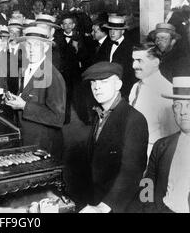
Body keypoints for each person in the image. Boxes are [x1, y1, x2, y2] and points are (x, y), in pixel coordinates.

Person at [80, 62, 148, 213]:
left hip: (117, 205)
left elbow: (132, 171)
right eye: (93, 83)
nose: (97, 87)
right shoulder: (100, 114)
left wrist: (104, 206)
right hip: (96, 197)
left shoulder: (134, 119)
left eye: (103, 82)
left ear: (118, 85)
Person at [5, 26, 66, 159]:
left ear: (45, 48)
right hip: (27, 139)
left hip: (43, 145)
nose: (31, 49)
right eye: (28, 45)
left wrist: (24, 106)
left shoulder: (52, 75)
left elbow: (58, 118)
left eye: (37, 45)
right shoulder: (27, 69)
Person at [141, 76, 190, 213]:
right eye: (177, 105)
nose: (183, 111)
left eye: (189, 105)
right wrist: (147, 209)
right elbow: (147, 184)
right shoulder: (161, 146)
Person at [129, 44, 178, 157]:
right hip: (133, 152)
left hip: (153, 156)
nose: (134, 65)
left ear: (155, 62)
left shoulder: (166, 91)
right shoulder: (136, 86)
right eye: (133, 60)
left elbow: (171, 135)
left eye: (139, 61)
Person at [102, 15, 135, 97]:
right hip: (107, 87)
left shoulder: (130, 47)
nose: (112, 33)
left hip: (123, 89)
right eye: (110, 29)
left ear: (123, 31)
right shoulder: (106, 44)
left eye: (116, 30)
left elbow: (130, 75)